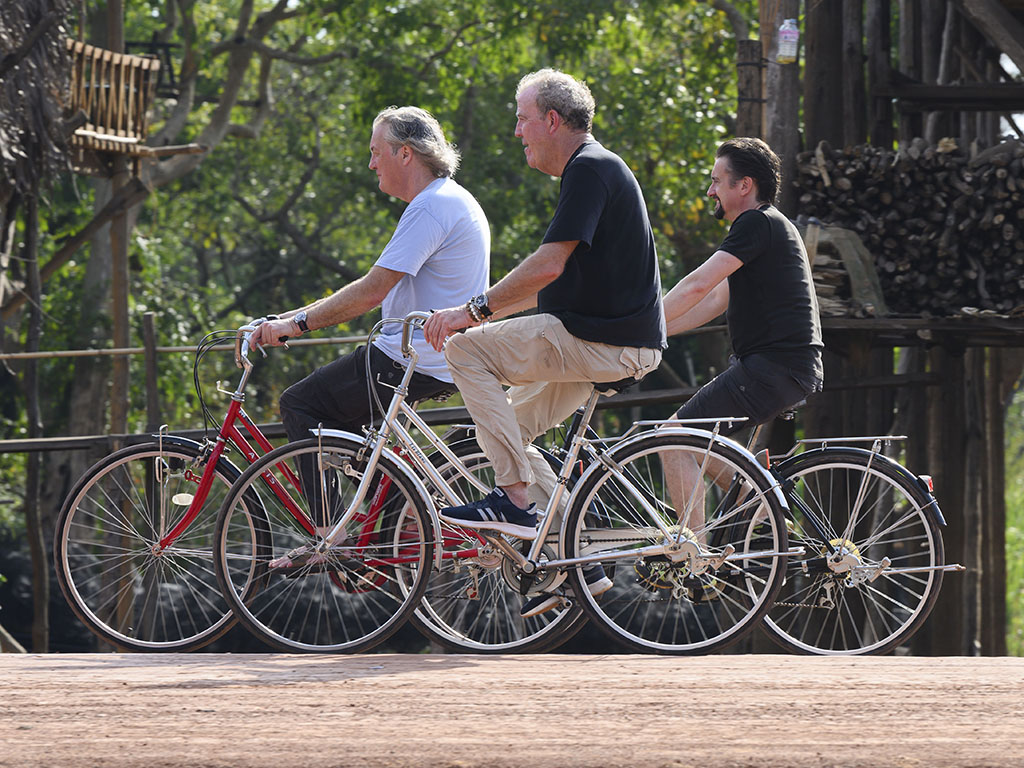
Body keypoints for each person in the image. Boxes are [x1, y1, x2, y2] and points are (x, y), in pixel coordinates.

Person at [423, 68, 666, 614]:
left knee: (465, 350)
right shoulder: (594, 170)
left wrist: (471, 313)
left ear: (552, 120)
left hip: (602, 344)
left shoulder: (590, 168)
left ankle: (512, 502)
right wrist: (487, 314)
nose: (516, 131)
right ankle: (570, 556)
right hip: (607, 343)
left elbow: (547, 266)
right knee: (512, 427)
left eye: (522, 118)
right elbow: (550, 284)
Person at [250, 106, 490, 563]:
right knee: (348, 442)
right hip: (429, 357)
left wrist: (294, 325)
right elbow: (379, 290)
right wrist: (292, 316)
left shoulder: (431, 207)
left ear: (405, 153)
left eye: (376, 151)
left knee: (300, 404)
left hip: (408, 359)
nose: (370, 163)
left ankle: (329, 540)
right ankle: (368, 535)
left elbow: (370, 291)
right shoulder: (448, 198)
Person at [662, 136, 823, 539]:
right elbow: (715, 298)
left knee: (672, 438)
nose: (710, 191)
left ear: (744, 186)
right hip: (780, 369)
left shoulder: (756, 222)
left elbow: (698, 284)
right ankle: (760, 503)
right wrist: (656, 331)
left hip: (772, 368)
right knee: (693, 439)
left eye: (717, 181)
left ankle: (691, 554)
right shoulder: (766, 228)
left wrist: (635, 324)